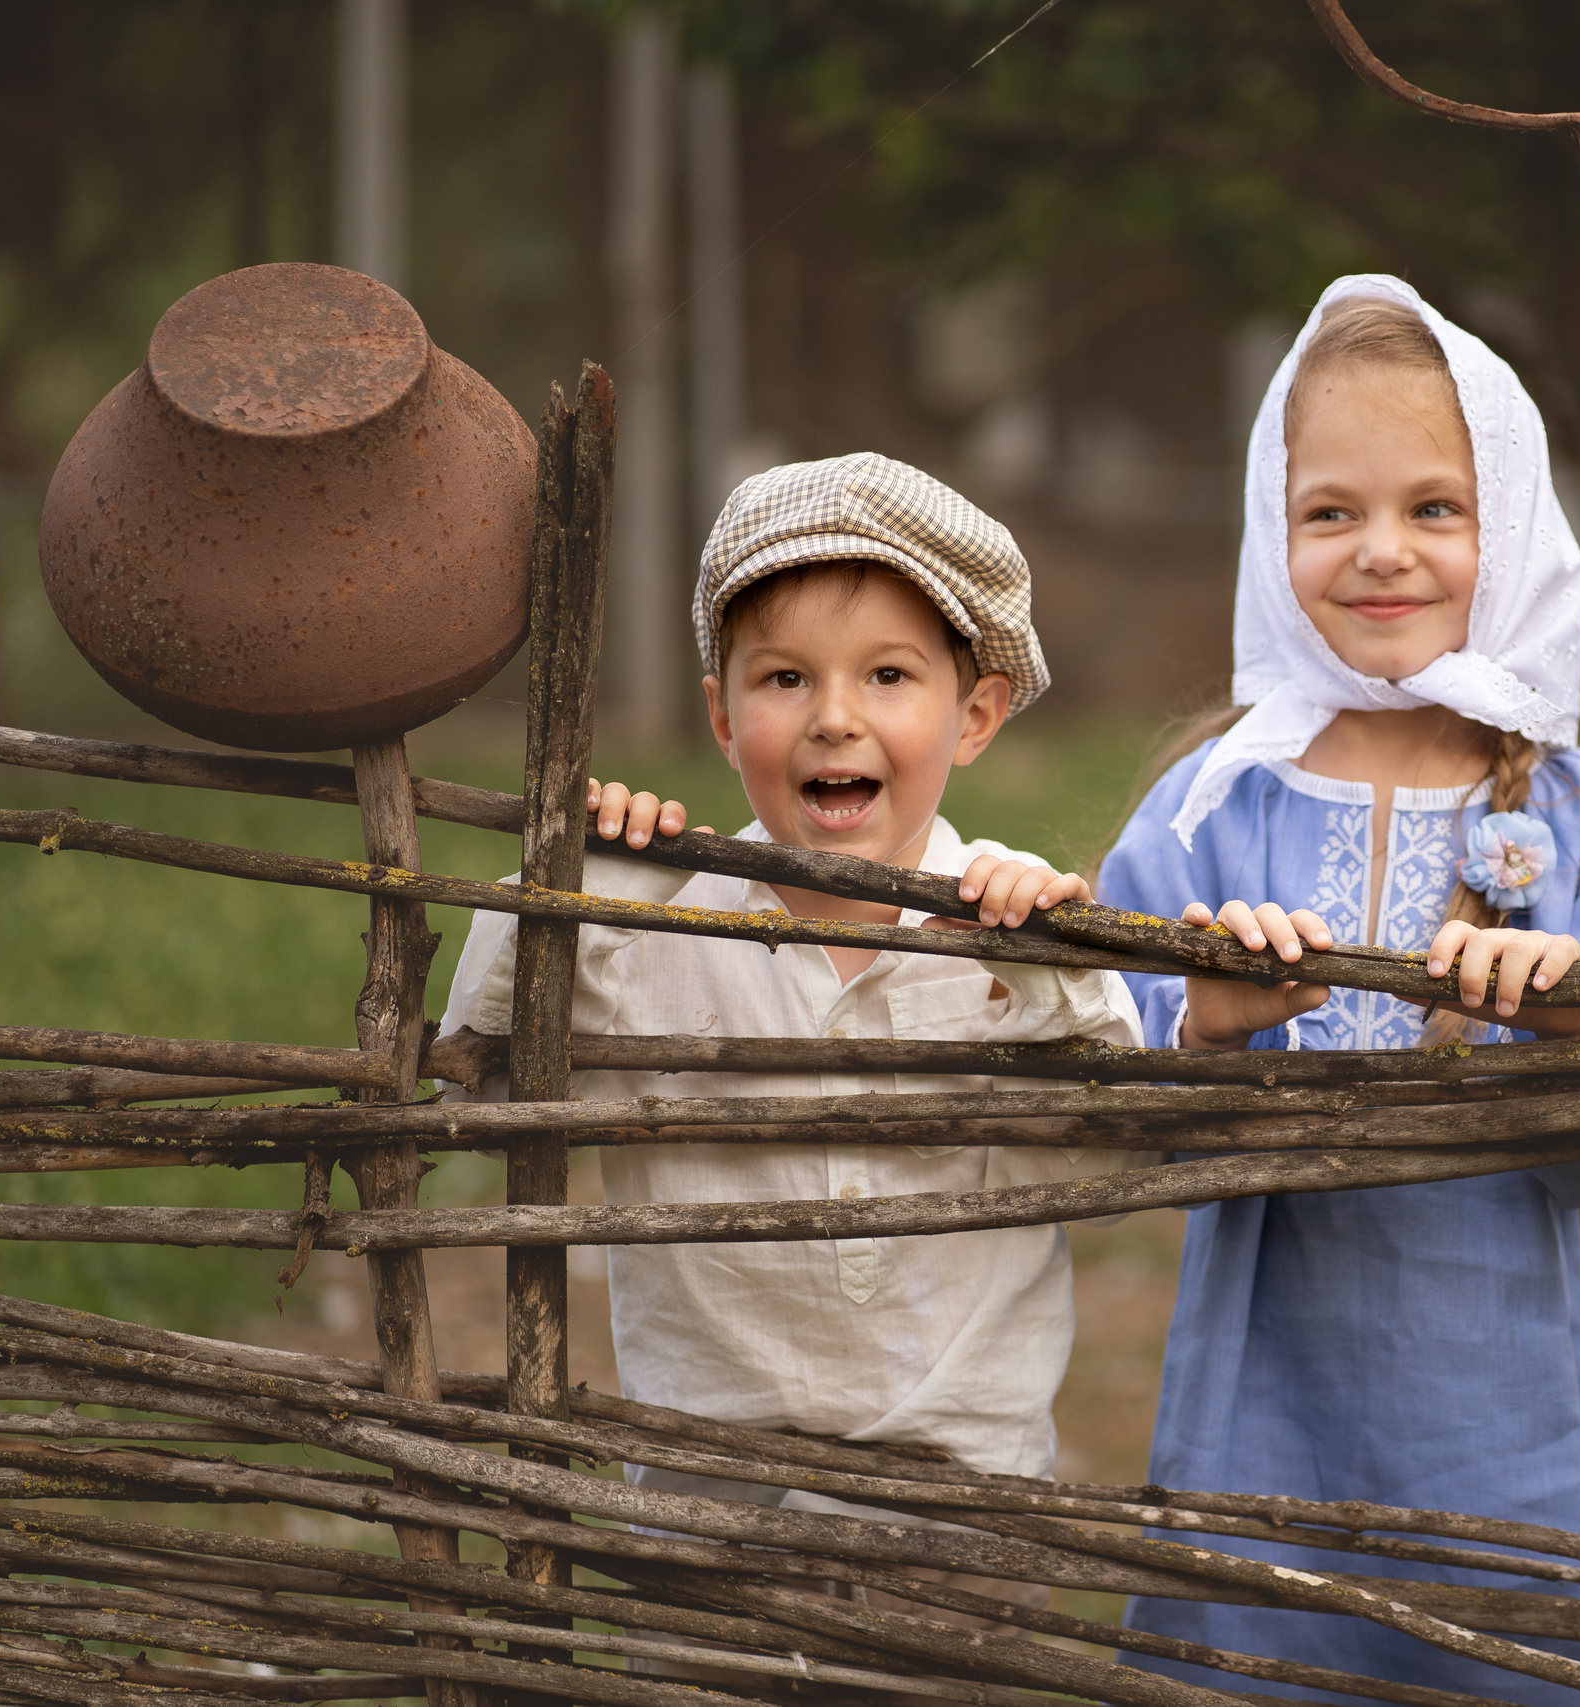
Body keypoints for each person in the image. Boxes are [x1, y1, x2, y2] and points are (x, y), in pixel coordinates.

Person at [1094, 276, 1580, 1700]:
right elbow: (1086, 1044)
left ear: (1507, 529)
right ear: (1274, 524)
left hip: (1486, 1412)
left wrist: (1578, 1011)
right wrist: (1203, 1019)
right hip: (1257, 1401)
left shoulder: (1577, 808)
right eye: (1332, 511)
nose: (1382, 551)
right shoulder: (1215, 803)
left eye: (1435, 507)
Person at [437, 453, 1144, 1640]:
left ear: (974, 715)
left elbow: (1118, 1154)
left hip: (964, 1520)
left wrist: (1043, 957)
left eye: (887, 675)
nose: (833, 715)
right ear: (723, 715)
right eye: (783, 677)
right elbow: (480, 1049)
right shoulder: (650, 932)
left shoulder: (1011, 937)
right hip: (711, 1508)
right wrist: (579, 879)